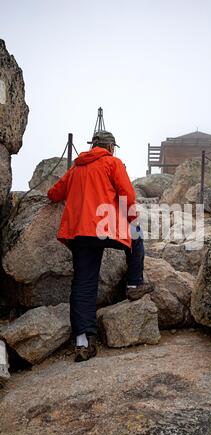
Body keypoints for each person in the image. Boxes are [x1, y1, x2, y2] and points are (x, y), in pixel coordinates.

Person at [47, 130, 153, 362]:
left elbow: (54, 193)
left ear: (92, 146)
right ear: (111, 147)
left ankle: (83, 342)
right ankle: (134, 284)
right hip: (105, 226)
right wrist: (132, 220)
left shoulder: (76, 167)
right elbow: (127, 195)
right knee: (137, 238)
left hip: (80, 232)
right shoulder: (112, 163)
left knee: (83, 283)